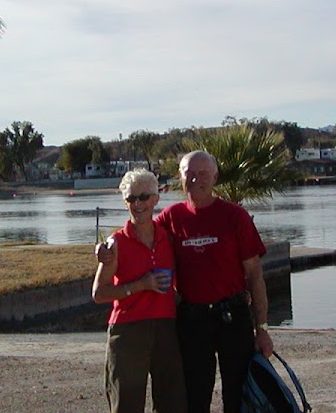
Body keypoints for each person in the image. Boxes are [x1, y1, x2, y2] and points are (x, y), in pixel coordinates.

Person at [158, 150, 273, 413]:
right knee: (195, 394)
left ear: (215, 177)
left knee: (238, 393)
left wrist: (262, 327)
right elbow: (138, 234)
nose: (196, 180)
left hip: (232, 316)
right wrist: (109, 246)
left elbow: (254, 273)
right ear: (180, 177)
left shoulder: (235, 216)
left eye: (203, 174)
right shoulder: (171, 217)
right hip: (192, 318)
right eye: (190, 174)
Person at [92, 169, 187, 413]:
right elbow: (99, 293)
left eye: (144, 197)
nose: (139, 204)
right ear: (126, 203)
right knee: (126, 404)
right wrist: (140, 286)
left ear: (156, 198)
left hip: (166, 327)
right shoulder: (116, 243)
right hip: (128, 330)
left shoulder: (169, 237)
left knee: (172, 403)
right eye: (132, 199)